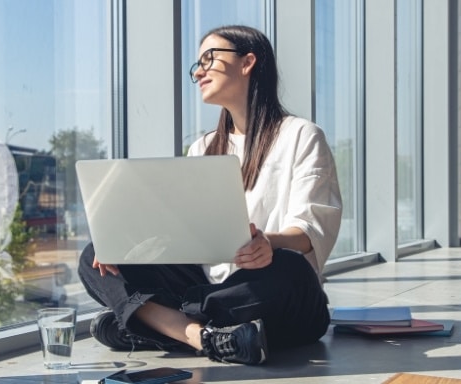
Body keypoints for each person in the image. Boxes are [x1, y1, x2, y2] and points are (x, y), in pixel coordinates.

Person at [77, 25, 342, 365]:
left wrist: (267, 243)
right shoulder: (203, 147)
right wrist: (124, 246)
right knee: (95, 257)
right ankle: (204, 337)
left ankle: (151, 323)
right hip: (209, 283)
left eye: (209, 59)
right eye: (196, 65)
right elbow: (181, 232)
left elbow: (311, 230)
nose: (199, 71)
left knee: (290, 269)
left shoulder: (301, 135)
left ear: (247, 62)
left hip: (269, 293)